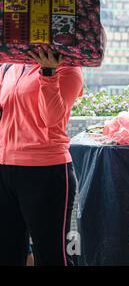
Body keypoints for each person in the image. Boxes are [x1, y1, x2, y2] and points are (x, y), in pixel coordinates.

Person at [0, 50, 83, 266]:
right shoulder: (11, 66)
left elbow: (51, 118)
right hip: (5, 168)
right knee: (6, 253)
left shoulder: (68, 69)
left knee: (51, 256)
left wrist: (48, 72)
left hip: (46, 170)